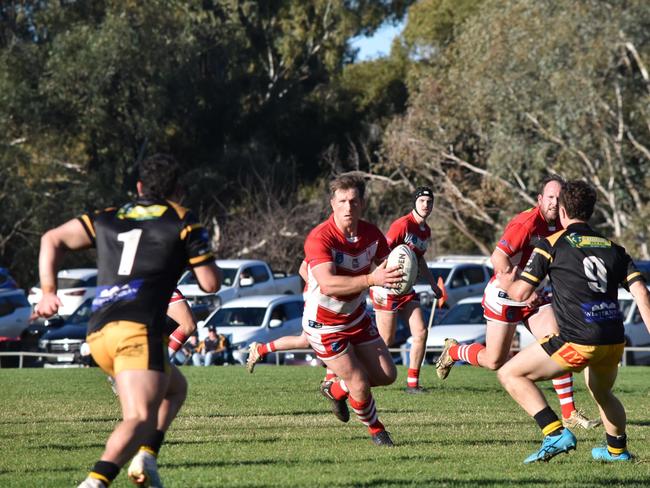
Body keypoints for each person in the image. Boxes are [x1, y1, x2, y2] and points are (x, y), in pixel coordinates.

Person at [36, 153, 221, 488]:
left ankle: (147, 459)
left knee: (175, 389)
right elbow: (210, 284)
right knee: (138, 417)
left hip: (100, 332)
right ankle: (95, 482)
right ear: (178, 189)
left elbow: (52, 238)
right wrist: (200, 247)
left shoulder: (108, 217)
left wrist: (49, 291)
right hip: (138, 331)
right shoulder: (184, 221)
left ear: (138, 187)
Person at [494, 180, 650, 463]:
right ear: (590, 212)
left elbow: (520, 293)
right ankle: (617, 451)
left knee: (509, 373)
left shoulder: (551, 245)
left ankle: (554, 433)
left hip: (578, 341)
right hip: (614, 342)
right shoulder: (613, 248)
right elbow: (641, 292)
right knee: (601, 391)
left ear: (563, 212)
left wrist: (507, 282)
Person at [436, 174, 598, 429]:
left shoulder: (564, 226)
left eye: (559, 198)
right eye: (550, 198)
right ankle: (454, 351)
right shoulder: (526, 223)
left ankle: (569, 412)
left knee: (557, 341)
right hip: (505, 295)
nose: (555, 203)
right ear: (540, 199)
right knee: (493, 361)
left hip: (535, 296)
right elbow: (498, 258)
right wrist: (517, 290)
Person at [302, 174, 404, 446]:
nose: (348, 207)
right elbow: (328, 284)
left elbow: (389, 267)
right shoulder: (320, 237)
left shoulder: (372, 235)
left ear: (362, 203)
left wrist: (404, 276)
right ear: (332, 204)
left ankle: (335, 389)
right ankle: (377, 431)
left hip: (356, 316)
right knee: (359, 382)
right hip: (324, 324)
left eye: (354, 201)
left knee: (387, 375)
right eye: (342, 201)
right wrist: (372, 280)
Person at [370, 186, 443, 393]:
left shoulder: (425, 231)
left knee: (421, 332)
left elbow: (418, 259)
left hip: (407, 288)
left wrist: (432, 284)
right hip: (387, 287)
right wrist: (376, 281)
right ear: (415, 203)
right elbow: (382, 253)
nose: (426, 205)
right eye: (422, 201)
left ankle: (413, 384)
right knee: (386, 339)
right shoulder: (402, 225)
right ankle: (354, 372)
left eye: (429, 202)